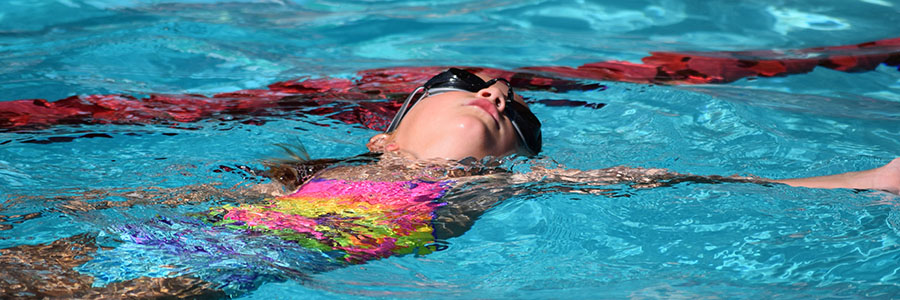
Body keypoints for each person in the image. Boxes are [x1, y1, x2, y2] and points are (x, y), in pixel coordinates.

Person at [2, 68, 898, 299]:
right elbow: (143, 205)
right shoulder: (327, 168)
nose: (497, 94)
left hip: (235, 266)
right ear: (383, 127)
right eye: (468, 82)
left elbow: (693, 178)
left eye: (514, 113)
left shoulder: (499, 188)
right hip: (169, 242)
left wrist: (874, 177)